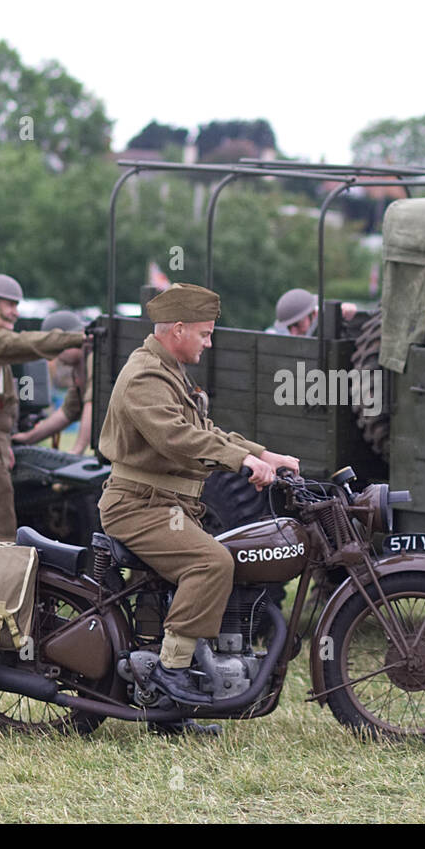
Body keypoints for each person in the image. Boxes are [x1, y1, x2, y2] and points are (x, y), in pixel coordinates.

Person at [98, 283, 299, 706]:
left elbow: (207, 431)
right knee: (211, 563)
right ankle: (172, 672)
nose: (209, 343)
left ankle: (169, 701)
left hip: (168, 505)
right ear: (178, 330)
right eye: (205, 334)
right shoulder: (145, 376)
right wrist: (240, 463)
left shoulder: (169, 372)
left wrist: (264, 454)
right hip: (140, 506)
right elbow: (177, 437)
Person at [0, 274, 86, 542]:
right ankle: (4, 584)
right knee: (0, 527)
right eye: (9, 305)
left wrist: (2, 441)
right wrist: (75, 338)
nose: (15, 312)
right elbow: (25, 344)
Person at [12, 310, 95, 455]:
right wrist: (28, 438)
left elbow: (92, 403)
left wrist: (78, 449)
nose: (54, 356)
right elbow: (68, 412)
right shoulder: (78, 367)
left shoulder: (94, 359)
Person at [267, 287, 357, 336]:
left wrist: (348, 311)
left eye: (296, 324)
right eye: (289, 327)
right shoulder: (281, 333)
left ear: (314, 314)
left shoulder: (327, 321)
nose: (293, 333)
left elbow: (350, 310)